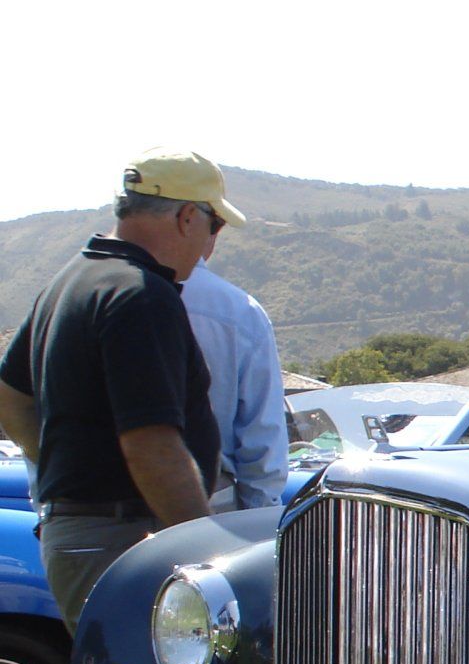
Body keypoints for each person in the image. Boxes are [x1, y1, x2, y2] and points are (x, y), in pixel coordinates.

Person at [0, 148, 239, 629]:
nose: (211, 245)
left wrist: (70, 464)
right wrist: (203, 550)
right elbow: (152, 446)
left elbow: (10, 395)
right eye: (215, 227)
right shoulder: (140, 294)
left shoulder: (73, 278)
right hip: (123, 537)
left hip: (86, 534)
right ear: (188, 216)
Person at [181, 245, 287, 510]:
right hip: (213, 500)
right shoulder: (239, 309)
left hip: (96, 510)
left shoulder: (93, 291)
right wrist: (259, 520)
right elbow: (262, 435)